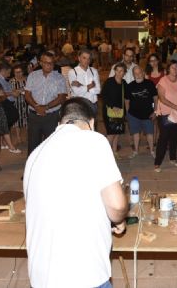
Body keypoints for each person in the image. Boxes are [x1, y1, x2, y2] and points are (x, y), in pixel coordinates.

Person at [24, 97, 127, 288]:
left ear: (59, 123)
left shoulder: (35, 154)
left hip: (41, 277)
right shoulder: (94, 140)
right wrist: (119, 219)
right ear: (92, 123)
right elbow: (117, 204)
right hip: (84, 274)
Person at [24, 51, 68, 155]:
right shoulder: (33, 76)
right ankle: (33, 168)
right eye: (47, 63)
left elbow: (62, 97)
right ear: (40, 63)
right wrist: (36, 106)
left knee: (51, 144)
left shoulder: (59, 77)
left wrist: (46, 107)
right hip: (34, 116)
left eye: (52, 63)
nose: (50, 65)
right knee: (33, 145)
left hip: (51, 116)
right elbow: (27, 94)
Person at [154, 60, 177, 171]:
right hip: (165, 114)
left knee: (175, 137)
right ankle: (157, 162)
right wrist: (176, 106)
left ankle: (173, 158)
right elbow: (162, 98)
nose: (175, 69)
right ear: (168, 69)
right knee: (163, 138)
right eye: (172, 67)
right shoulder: (163, 80)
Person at [125, 66, 158, 158]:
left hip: (148, 114)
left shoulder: (150, 84)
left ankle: (152, 151)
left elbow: (155, 99)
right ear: (133, 75)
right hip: (133, 115)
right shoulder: (130, 86)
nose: (138, 75)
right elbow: (127, 101)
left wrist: (155, 112)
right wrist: (128, 114)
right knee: (135, 134)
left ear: (143, 73)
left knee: (150, 134)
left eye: (139, 73)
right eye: (135, 73)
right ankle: (135, 151)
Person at [0, 62, 22, 154]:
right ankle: (10, 146)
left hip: (3, 102)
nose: (10, 74)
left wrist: (13, 92)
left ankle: (4, 143)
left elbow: (2, 91)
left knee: (6, 123)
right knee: (8, 121)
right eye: (9, 72)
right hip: (2, 103)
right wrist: (11, 93)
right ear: (3, 70)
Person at [103, 62, 127, 157]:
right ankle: (107, 154)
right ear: (115, 71)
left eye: (121, 71)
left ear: (124, 72)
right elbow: (104, 96)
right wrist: (113, 106)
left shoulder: (124, 83)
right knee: (111, 134)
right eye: (117, 70)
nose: (119, 72)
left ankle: (114, 152)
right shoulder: (109, 81)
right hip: (109, 111)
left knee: (117, 132)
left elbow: (127, 97)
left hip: (120, 112)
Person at [68, 48, 101, 115]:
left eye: (89, 58)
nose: (87, 61)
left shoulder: (94, 71)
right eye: (84, 58)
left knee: (92, 125)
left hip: (92, 104)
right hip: (78, 105)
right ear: (79, 58)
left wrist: (81, 85)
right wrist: (90, 86)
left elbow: (98, 90)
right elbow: (76, 92)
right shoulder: (72, 72)